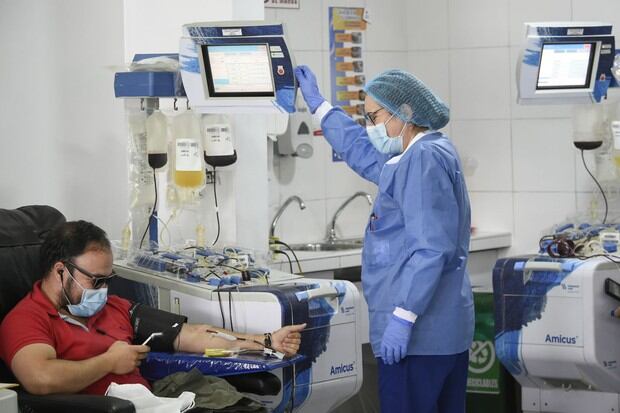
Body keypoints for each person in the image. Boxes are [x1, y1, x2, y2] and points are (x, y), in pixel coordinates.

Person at [295, 65, 474, 412]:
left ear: (404, 112)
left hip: (421, 336)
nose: (370, 126)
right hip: (439, 333)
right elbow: (362, 150)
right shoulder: (415, 154)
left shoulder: (422, 159)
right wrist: (319, 106)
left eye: (374, 116)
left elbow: (431, 247)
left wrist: (404, 317)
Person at [0, 220, 305, 395]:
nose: (103, 291)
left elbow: (193, 335)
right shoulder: (27, 319)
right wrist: (109, 362)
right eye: (96, 281)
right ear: (60, 271)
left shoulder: (114, 307)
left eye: (108, 280)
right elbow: (40, 379)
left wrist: (265, 341)